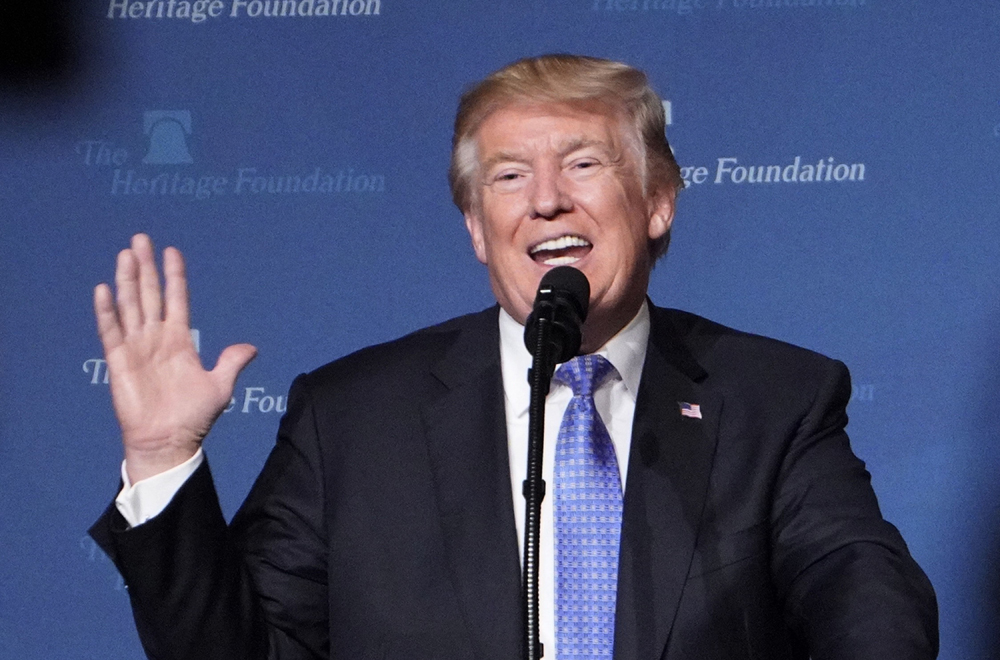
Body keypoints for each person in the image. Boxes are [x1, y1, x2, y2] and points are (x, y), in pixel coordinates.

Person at [90, 54, 938, 660]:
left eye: (583, 163)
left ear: (657, 202)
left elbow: (864, 598)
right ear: (475, 228)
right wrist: (162, 460)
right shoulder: (351, 419)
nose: (546, 201)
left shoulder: (774, 399)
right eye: (507, 177)